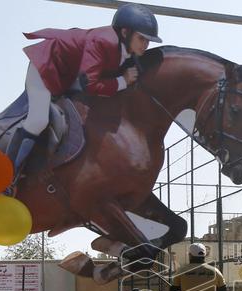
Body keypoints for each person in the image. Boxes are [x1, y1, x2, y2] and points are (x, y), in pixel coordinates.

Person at [9, 4, 162, 187]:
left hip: (68, 75)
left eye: (148, 40)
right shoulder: (103, 42)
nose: (146, 45)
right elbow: (89, 84)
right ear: (125, 33)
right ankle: (9, 172)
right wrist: (123, 81)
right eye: (142, 39)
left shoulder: (127, 50)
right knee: (38, 120)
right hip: (46, 68)